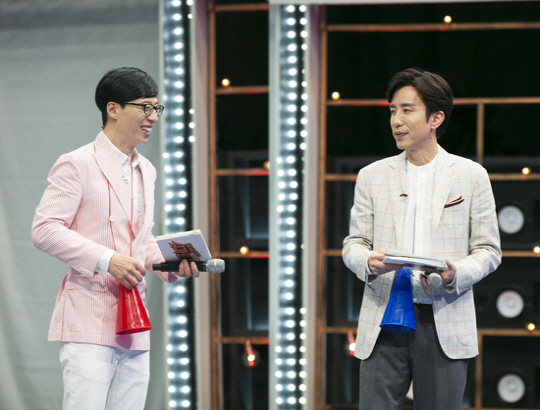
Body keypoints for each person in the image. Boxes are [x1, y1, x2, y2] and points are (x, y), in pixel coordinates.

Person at [31, 67, 199, 410]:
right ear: (113, 109)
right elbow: (44, 229)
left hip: (134, 320)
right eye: (145, 107)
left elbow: (140, 238)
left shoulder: (147, 169)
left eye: (156, 108)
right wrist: (107, 260)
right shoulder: (76, 163)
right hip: (89, 316)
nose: (153, 117)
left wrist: (172, 263)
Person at [342, 68, 501, 410]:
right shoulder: (371, 176)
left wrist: (456, 272)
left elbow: (489, 250)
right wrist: (367, 261)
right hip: (383, 318)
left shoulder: (471, 175)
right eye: (392, 111)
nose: (396, 120)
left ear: (435, 118)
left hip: (443, 318)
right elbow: (353, 244)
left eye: (407, 110)